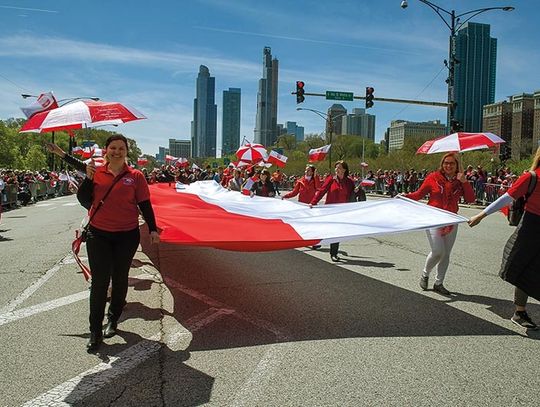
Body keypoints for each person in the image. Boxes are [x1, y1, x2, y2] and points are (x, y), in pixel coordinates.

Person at [47, 137, 160, 351]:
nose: (117, 152)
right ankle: (95, 331)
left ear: (127, 152)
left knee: (119, 280)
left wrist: (153, 229)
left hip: (127, 235)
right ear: (106, 151)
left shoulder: (135, 176)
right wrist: (81, 173)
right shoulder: (95, 171)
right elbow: (82, 194)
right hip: (98, 235)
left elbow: (145, 204)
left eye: (121, 148)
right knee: (99, 283)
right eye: (113, 148)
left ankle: (113, 318)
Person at [468, 147, 540, 330]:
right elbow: (507, 198)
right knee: (524, 268)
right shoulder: (531, 177)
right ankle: (520, 311)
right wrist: (481, 215)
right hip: (531, 228)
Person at [405, 152, 475, 295]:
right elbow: (418, 195)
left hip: (451, 220)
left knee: (446, 254)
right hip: (433, 219)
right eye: (446, 163)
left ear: (457, 166)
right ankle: (425, 273)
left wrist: (465, 182)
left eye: (452, 163)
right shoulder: (433, 178)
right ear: (442, 164)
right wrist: (403, 197)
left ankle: (439, 282)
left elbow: (470, 199)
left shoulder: (460, 180)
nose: (448, 165)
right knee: (438, 251)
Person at [310, 160, 355, 262]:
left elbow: (352, 196)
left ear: (344, 170)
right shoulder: (331, 179)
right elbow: (322, 191)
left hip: (341, 211)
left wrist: (356, 191)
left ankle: (333, 253)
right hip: (329, 210)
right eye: (336, 167)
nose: (337, 169)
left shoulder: (349, 182)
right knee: (326, 229)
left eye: (339, 167)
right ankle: (317, 241)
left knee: (336, 232)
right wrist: (313, 202)